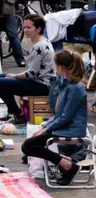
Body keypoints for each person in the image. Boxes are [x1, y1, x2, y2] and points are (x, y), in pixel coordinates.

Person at [21, 49, 89, 186]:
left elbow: (65, 118)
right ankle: (66, 163)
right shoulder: (67, 85)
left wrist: (45, 129)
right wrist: (44, 127)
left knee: (28, 145)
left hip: (71, 130)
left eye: (55, 65)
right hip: (64, 128)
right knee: (28, 146)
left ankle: (68, 166)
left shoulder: (75, 88)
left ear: (61, 67)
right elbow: (59, 116)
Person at [0, 14, 56, 125]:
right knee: (1, 77)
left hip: (43, 86)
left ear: (38, 29)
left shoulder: (39, 46)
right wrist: (13, 76)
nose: (25, 30)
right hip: (42, 82)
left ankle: (17, 114)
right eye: (24, 27)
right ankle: (12, 112)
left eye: (29, 27)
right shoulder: (44, 41)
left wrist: (15, 76)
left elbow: (31, 74)